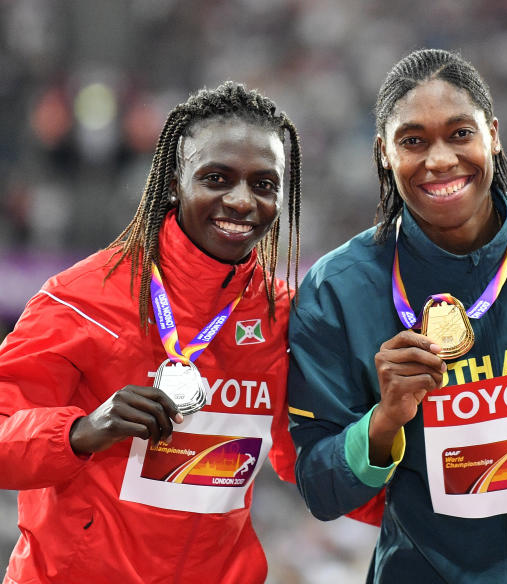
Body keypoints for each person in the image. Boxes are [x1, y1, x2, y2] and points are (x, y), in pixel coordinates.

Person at [287, 48, 507, 583]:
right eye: (413, 141)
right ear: (383, 153)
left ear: (493, 133)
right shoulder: (338, 290)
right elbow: (321, 489)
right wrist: (384, 421)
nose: (439, 159)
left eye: (460, 133)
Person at [0, 81, 303, 584]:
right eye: (216, 178)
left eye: (264, 184)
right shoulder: (79, 299)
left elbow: (310, 460)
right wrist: (79, 432)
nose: (242, 201)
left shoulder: (283, 315)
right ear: (173, 181)